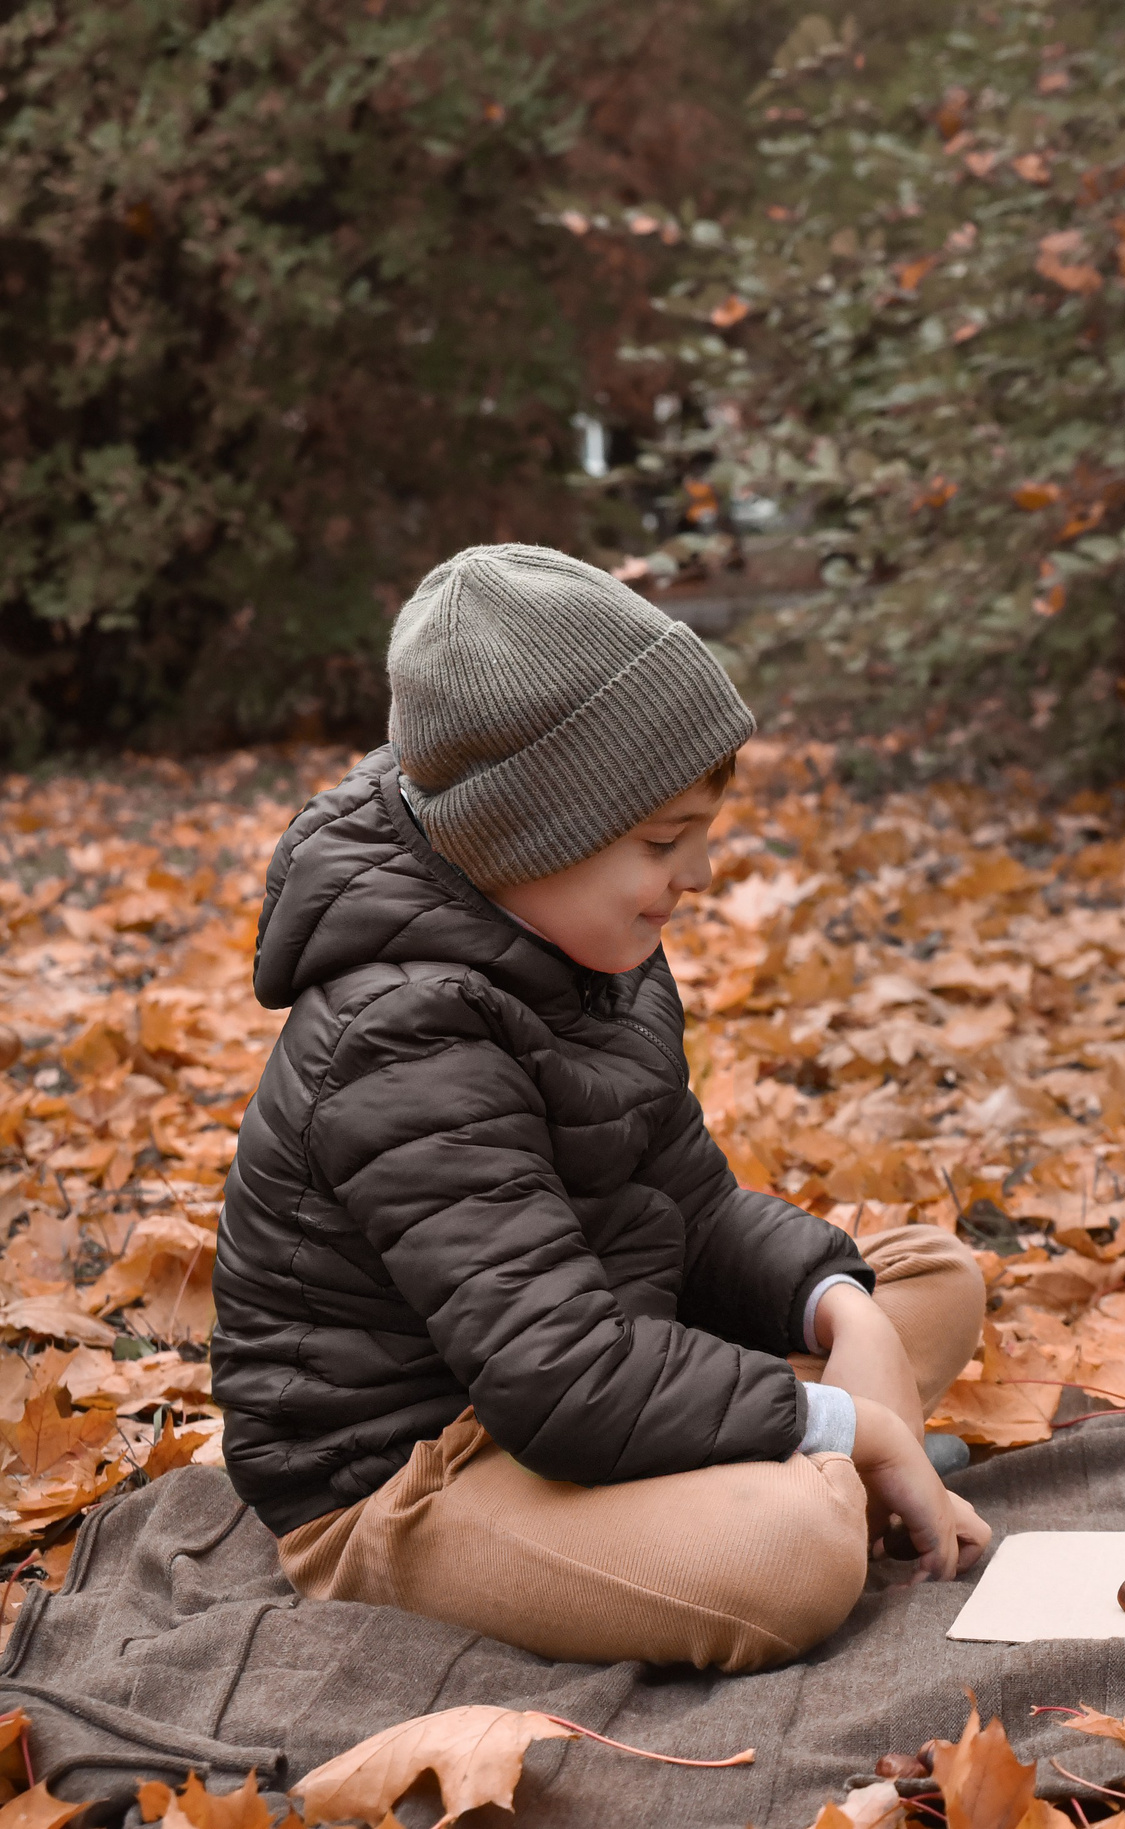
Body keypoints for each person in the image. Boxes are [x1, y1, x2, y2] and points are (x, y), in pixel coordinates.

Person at [211, 544, 990, 1672]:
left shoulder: (591, 946)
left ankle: (809, 1458)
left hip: (591, 1361)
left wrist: (841, 1314)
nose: (701, 874)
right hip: (422, 1465)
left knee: (925, 1277)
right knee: (792, 1556)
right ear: (528, 833)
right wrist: (851, 1420)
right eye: (664, 841)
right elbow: (556, 1374)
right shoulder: (401, 1033)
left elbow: (692, 1209)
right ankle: (823, 1478)